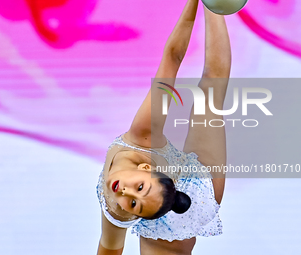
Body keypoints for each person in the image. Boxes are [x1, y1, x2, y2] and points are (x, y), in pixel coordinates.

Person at [97, 0, 231, 254]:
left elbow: (173, 57)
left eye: (134, 199)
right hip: (197, 194)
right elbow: (173, 56)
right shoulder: (122, 210)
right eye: (137, 192)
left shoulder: (142, 136)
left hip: (190, 192)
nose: (125, 193)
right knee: (213, 88)